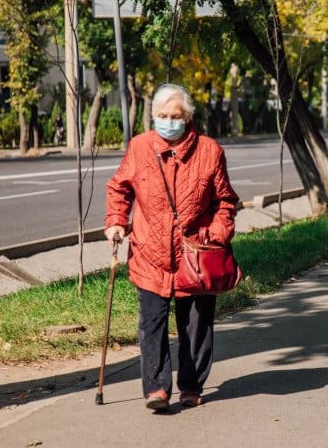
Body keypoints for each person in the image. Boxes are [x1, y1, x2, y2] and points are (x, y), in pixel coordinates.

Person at [105, 83, 240, 412]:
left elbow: (226, 201)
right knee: (151, 323)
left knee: (195, 324)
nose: (168, 121)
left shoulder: (210, 151)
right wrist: (116, 221)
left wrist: (216, 234)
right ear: (153, 116)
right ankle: (156, 389)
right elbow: (119, 187)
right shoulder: (139, 147)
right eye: (162, 116)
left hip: (194, 254)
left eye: (175, 116)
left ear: (188, 117)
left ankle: (192, 385)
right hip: (149, 253)